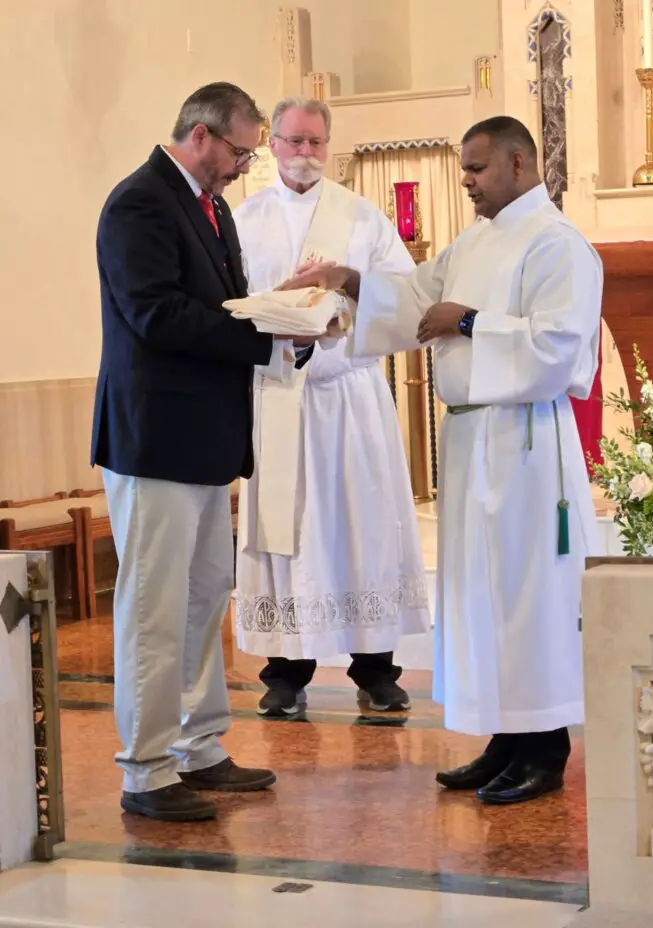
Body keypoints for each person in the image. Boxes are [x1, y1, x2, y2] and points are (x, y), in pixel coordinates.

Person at [280, 116, 602, 804]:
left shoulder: (558, 245)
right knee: (481, 597)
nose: (467, 181)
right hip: (471, 444)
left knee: (526, 597)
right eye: (464, 168)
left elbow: (562, 347)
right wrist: (348, 280)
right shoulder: (477, 240)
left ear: (520, 163)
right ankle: (503, 738)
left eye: (478, 168)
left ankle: (544, 748)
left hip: (524, 444)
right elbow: (418, 295)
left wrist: (470, 322)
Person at [92, 82, 313, 822]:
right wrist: (265, 332)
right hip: (154, 438)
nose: (244, 166)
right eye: (240, 151)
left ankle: (200, 745)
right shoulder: (140, 203)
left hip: (204, 440)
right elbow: (156, 313)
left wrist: (289, 323)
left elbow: (229, 308)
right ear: (199, 134)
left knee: (200, 598)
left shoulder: (209, 209)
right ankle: (146, 769)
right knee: (154, 609)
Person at [232, 96, 430, 717]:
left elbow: (406, 299)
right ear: (272, 146)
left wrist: (344, 292)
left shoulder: (362, 217)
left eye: (316, 142)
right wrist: (279, 315)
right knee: (285, 533)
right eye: (293, 142)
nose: (305, 154)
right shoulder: (244, 220)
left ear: (330, 145)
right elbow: (228, 300)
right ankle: (285, 673)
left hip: (348, 395)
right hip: (280, 392)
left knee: (362, 524)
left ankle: (376, 670)